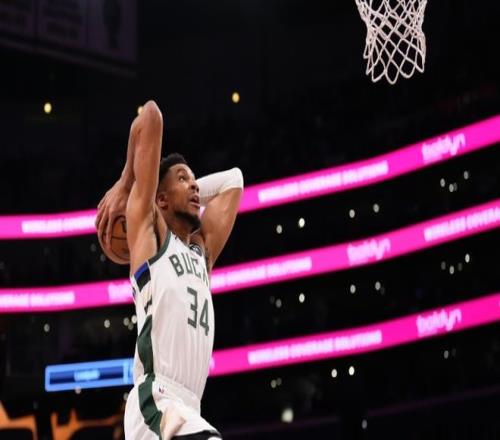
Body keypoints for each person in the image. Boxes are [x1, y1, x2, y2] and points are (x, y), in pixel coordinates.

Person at [95, 100, 243, 439]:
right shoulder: (151, 235)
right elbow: (151, 116)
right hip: (157, 401)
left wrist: (186, 189)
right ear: (160, 199)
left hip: (188, 408)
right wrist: (128, 181)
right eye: (183, 179)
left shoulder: (201, 253)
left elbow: (233, 181)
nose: (194, 186)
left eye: (194, 181)